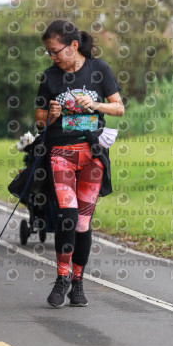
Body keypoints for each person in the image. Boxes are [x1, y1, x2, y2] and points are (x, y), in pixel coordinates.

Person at [34, 20, 124, 308]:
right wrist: (50, 114)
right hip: (60, 152)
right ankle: (61, 279)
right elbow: (38, 120)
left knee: (83, 224)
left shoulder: (99, 70)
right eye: (48, 53)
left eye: (55, 51)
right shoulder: (49, 77)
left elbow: (119, 108)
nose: (52, 57)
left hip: (92, 154)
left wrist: (95, 105)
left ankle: (78, 282)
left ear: (73, 46)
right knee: (68, 215)